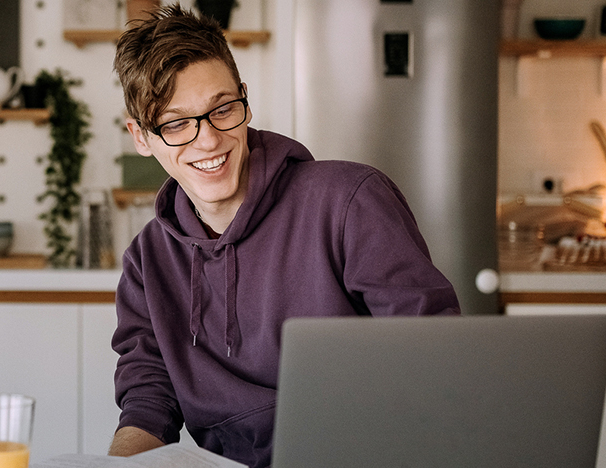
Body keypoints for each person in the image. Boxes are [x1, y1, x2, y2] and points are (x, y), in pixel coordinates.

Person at [106, 6, 460, 467]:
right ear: (140, 136)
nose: (208, 140)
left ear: (245, 101)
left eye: (222, 109)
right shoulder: (147, 260)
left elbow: (437, 362)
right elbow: (149, 399)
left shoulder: (349, 203)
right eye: (175, 124)